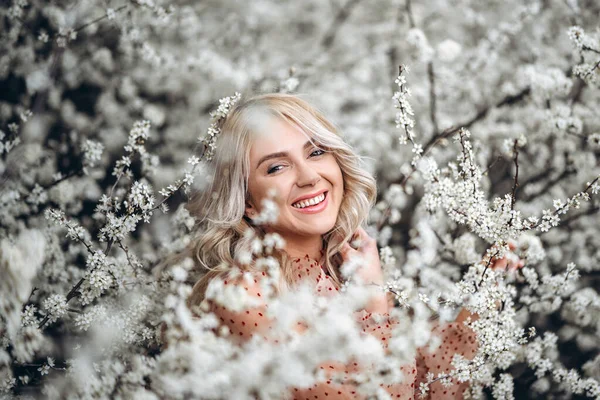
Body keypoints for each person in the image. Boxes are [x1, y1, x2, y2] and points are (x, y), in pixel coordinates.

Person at [180, 93, 518, 399]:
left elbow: (424, 388)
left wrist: (483, 297)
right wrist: (374, 300)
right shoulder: (241, 295)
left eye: (315, 151)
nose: (309, 176)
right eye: (276, 167)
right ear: (247, 203)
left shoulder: (340, 268)